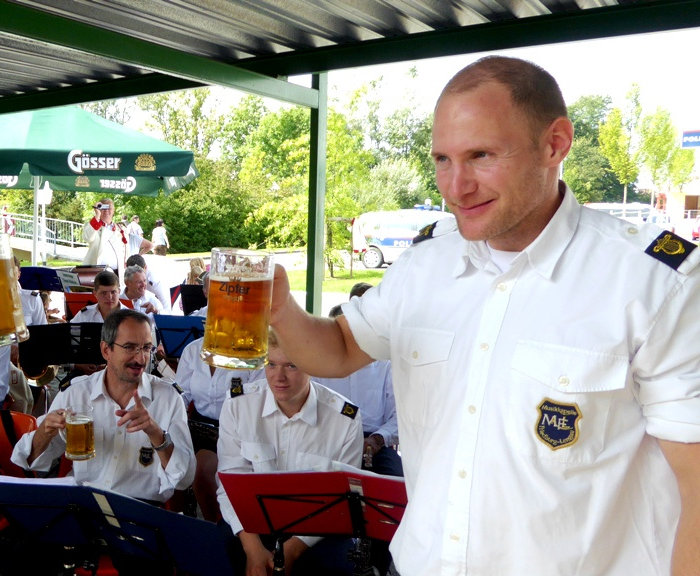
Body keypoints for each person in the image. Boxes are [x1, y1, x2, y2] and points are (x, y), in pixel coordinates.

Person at [267, 56, 700, 576]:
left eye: (480, 155)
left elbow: (694, 483)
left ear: (555, 143)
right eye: (442, 159)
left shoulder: (656, 282)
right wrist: (280, 309)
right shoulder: (423, 267)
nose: (455, 186)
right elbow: (336, 350)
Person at [12, 309, 195, 575]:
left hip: (139, 513)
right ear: (106, 350)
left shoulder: (167, 398)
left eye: (146, 348)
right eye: (130, 347)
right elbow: (28, 459)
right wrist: (46, 431)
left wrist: (157, 434)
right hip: (84, 508)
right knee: (22, 556)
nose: (140, 358)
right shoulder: (77, 392)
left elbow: (185, 478)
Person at [216, 330, 364, 576]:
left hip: (317, 527)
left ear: (312, 366)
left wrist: (293, 549)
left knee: (338, 566)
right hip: (254, 521)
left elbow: (342, 500)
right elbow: (228, 483)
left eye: (291, 366)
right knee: (219, 555)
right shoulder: (238, 406)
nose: (279, 377)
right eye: (271, 364)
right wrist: (252, 549)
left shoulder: (345, 420)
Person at [174, 336, 263, 522]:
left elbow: (255, 403)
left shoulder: (252, 353)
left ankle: (216, 526)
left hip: (236, 427)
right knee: (170, 460)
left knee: (203, 470)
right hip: (197, 425)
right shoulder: (192, 350)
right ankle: (181, 522)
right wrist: (173, 420)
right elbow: (182, 395)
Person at [321, 306, 401, 477]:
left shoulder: (385, 367)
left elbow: (399, 417)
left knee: (396, 482)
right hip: (328, 440)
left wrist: (378, 438)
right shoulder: (320, 367)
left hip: (373, 442)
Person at [82, 198, 152, 274]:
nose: (106, 210)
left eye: (109, 208)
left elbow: (126, 249)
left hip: (118, 272)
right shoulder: (92, 227)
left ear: (113, 211)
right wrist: (97, 215)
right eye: (103, 207)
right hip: (97, 272)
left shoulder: (121, 229)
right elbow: (87, 237)